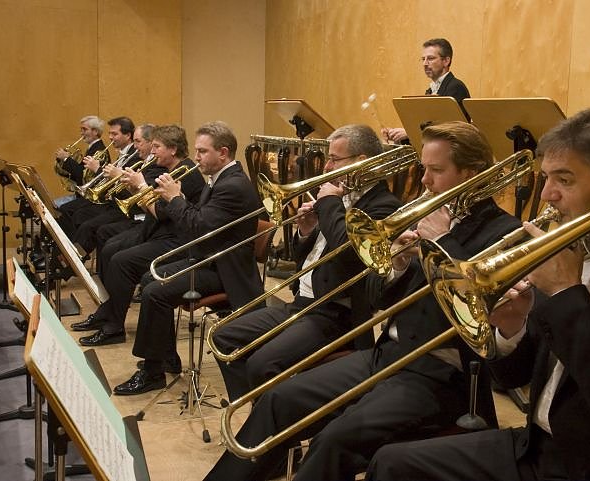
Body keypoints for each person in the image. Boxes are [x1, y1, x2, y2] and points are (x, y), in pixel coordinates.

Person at [365, 109, 590, 481]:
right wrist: (513, 328)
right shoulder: (571, 247)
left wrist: (566, 291)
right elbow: (513, 378)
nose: (548, 195)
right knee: (392, 464)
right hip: (539, 448)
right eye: (546, 178)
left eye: (564, 180)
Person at [203, 121, 521, 481]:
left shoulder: (504, 232)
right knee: (280, 398)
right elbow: (376, 298)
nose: (425, 181)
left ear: (471, 173)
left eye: (436, 170)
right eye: (424, 169)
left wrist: (443, 243)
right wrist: (397, 265)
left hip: (441, 374)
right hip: (387, 354)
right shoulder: (425, 212)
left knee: (334, 439)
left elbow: (473, 317)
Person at [211, 124, 402, 401]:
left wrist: (329, 205)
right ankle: (259, 410)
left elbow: (350, 256)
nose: (327, 167)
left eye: (334, 159)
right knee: (222, 337)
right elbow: (308, 258)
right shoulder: (342, 195)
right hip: (302, 303)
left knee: (261, 364)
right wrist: (306, 230)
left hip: (335, 312)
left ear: (360, 161)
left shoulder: (383, 205)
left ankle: (271, 418)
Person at [111, 121, 265, 395]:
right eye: (196, 150)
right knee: (148, 278)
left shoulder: (233, 185)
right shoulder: (220, 179)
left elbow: (198, 227)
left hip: (225, 270)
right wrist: (179, 198)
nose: (196, 157)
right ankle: (166, 357)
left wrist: (175, 199)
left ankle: (152, 371)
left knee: (155, 292)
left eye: (202, 151)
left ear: (223, 153)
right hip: (210, 259)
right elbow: (201, 220)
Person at [71, 124, 204, 347]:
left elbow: (159, 213)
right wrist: (134, 189)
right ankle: (108, 312)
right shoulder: (167, 169)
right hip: (157, 231)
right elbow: (151, 209)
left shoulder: (186, 173)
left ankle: (114, 326)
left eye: (157, 147)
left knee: (120, 260)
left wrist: (140, 186)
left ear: (173, 149)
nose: (153, 151)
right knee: (111, 248)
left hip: (176, 240)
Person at [94, 123, 167, 277]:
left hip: (143, 218)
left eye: (138, 141)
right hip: (137, 214)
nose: (135, 146)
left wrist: (119, 178)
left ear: (150, 142)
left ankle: (107, 281)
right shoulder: (143, 161)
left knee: (109, 244)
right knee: (102, 233)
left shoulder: (158, 166)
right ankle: (102, 279)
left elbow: (146, 200)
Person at [70, 116, 140, 254]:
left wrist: (98, 169)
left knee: (87, 226)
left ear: (128, 135)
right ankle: (68, 255)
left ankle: (71, 260)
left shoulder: (135, 155)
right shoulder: (123, 153)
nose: (110, 137)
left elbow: (124, 186)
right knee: (77, 215)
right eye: (109, 133)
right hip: (111, 201)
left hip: (122, 207)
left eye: (114, 134)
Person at [382, 38, 471, 144]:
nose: (425, 63)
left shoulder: (456, 87)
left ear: (446, 61)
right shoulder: (430, 91)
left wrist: (410, 133)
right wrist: (397, 134)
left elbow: (449, 130)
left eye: (430, 58)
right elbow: (427, 129)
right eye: (423, 59)